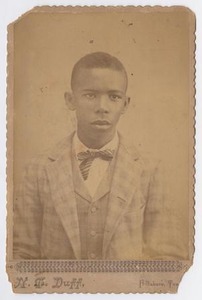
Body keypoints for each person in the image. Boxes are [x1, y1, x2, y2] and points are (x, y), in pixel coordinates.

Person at [13, 52, 186, 260]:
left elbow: (168, 258)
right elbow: (21, 255)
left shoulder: (150, 170)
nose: (102, 108)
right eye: (90, 95)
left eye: (114, 97)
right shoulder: (37, 169)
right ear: (70, 100)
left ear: (125, 104)